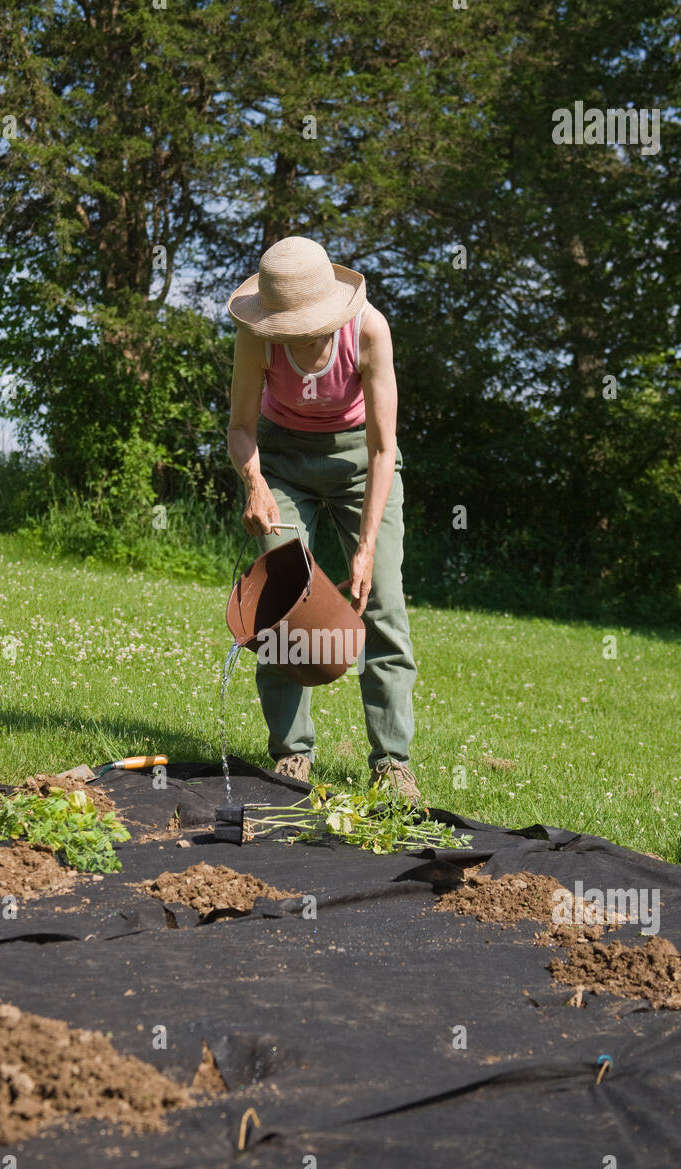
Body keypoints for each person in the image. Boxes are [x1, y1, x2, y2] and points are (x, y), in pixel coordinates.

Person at [226, 235, 419, 805]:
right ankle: (292, 754)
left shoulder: (367, 330)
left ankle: (392, 763)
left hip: (362, 461)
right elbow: (240, 428)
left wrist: (362, 548)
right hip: (283, 462)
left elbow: (385, 449)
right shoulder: (256, 337)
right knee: (281, 599)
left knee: (379, 599)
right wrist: (255, 485)